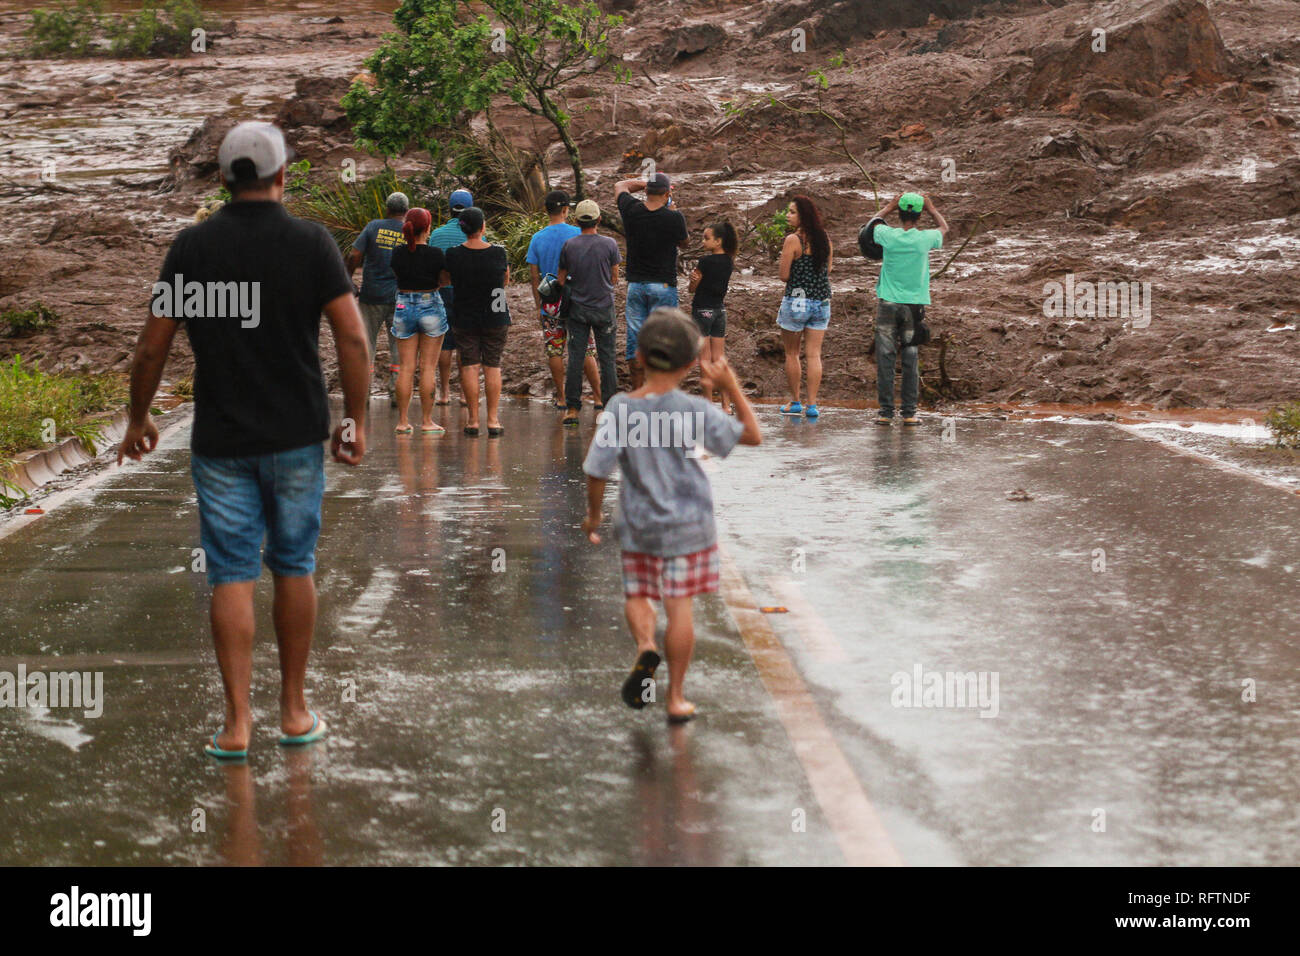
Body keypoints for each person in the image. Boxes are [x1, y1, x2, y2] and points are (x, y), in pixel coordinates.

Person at [118, 121, 370, 758]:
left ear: (225, 179)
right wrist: (356, 420)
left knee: (230, 572)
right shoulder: (313, 245)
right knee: (294, 564)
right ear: (282, 176)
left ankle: (235, 724)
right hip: (295, 437)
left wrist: (138, 417)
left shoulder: (191, 250)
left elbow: (152, 346)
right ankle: (293, 711)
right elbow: (354, 339)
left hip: (221, 439)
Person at [582, 308, 761, 723]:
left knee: (639, 595)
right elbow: (752, 435)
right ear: (689, 365)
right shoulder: (694, 409)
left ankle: (646, 646)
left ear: (640, 358)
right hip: (689, 528)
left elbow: (595, 470)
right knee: (680, 609)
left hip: (638, 525)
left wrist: (593, 518)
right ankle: (676, 699)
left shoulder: (620, 408)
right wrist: (731, 386)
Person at [871, 192, 948, 426]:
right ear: (919, 215)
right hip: (914, 306)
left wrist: (889, 207)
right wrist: (932, 208)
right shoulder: (925, 239)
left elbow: (871, 223)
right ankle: (909, 413)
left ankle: (885, 412)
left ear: (900, 212)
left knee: (885, 358)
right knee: (910, 357)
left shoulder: (888, 236)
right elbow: (944, 228)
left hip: (887, 304)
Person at [526, 189, 600, 409]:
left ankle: (561, 397)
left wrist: (538, 302)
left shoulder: (537, 238)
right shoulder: (578, 233)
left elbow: (533, 274)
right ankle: (598, 396)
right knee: (586, 349)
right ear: (567, 210)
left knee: (555, 349)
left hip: (550, 301)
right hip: (578, 298)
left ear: (546, 211)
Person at [615, 171, 688, 389]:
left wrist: (642, 182)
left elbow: (620, 185)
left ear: (646, 191)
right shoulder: (674, 217)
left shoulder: (631, 210)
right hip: (664, 285)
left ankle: (638, 393)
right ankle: (661, 394)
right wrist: (672, 211)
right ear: (667, 194)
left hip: (636, 285)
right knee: (664, 342)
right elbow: (684, 243)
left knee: (635, 341)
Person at [444, 205, 511, 437]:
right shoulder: (499, 252)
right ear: (483, 227)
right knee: (493, 365)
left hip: (464, 315)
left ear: (463, 229)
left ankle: (473, 420)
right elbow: (505, 280)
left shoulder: (453, 254)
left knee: (470, 365)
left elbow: (445, 279)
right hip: (496, 313)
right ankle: (493, 420)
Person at [557, 199, 621, 426]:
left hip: (578, 309)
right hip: (604, 307)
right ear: (599, 220)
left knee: (575, 358)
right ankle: (610, 409)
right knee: (607, 358)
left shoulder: (570, 245)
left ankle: (572, 409)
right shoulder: (610, 244)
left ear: (576, 221)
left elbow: (561, 279)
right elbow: (614, 276)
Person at [389, 206, 450, 434]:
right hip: (430, 304)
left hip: (404, 303)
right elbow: (444, 280)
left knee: (406, 368)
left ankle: (403, 422)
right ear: (428, 228)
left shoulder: (397, 253)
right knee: (428, 368)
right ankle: (426, 421)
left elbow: (397, 276)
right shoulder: (436, 254)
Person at [346, 190, 407, 406]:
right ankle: (396, 394)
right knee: (398, 346)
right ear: (406, 212)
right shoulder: (409, 230)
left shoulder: (373, 227)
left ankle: (364, 393)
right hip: (401, 297)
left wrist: (348, 279)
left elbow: (354, 255)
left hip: (371, 295)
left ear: (388, 209)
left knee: (366, 344)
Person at [776, 195, 834, 420]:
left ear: (803, 216)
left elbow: (783, 275)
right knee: (814, 355)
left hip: (797, 301)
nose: (788, 216)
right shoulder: (825, 239)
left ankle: (795, 402)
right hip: (821, 301)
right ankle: (812, 405)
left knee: (792, 353)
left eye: (792, 212)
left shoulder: (793, 240)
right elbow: (827, 270)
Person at [428, 188, 475, 407]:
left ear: (449, 209)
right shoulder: (475, 233)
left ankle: (444, 393)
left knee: (445, 343)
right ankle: (465, 395)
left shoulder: (436, 234)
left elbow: (432, 266)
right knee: (465, 342)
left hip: (442, 292)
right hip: (467, 291)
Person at [688, 220, 737, 413]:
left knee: (705, 361)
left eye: (707, 239)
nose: (703, 242)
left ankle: (708, 406)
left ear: (718, 241)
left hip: (702, 311)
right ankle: (726, 405)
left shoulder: (705, 262)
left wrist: (692, 281)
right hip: (719, 311)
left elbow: (693, 289)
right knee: (720, 360)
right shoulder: (729, 262)